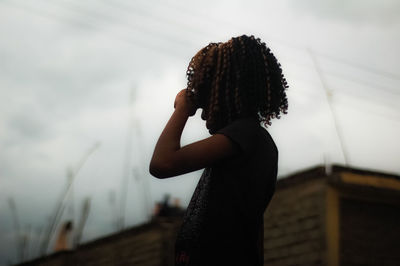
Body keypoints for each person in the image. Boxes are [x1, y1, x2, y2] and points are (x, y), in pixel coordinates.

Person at [149, 35, 288, 266]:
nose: (202, 113)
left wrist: (182, 108)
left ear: (229, 90)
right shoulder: (250, 141)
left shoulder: (246, 134)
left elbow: (163, 163)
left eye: (205, 99)